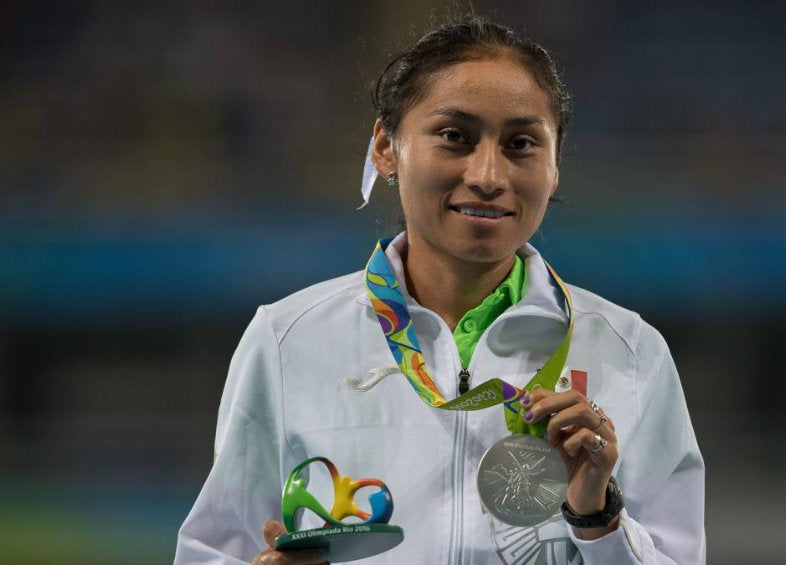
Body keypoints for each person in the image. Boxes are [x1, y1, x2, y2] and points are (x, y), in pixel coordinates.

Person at [175, 14, 704, 565]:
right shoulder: (287, 340)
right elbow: (216, 551)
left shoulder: (630, 352)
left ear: (554, 166)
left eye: (521, 143)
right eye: (455, 137)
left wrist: (598, 518)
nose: (488, 175)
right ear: (385, 147)